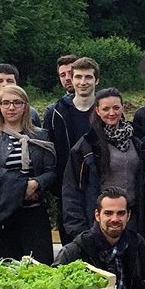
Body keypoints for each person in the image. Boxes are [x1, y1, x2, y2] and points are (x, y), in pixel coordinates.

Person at [0, 85, 56, 264]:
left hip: (34, 213)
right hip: (3, 215)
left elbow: (51, 171)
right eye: (6, 103)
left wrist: (36, 183)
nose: (11, 108)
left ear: (25, 106)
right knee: (8, 266)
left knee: (40, 267)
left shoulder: (41, 136)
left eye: (17, 103)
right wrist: (19, 186)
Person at [62, 88, 145, 243]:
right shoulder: (86, 146)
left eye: (116, 107)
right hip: (100, 220)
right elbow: (71, 189)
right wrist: (77, 228)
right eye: (106, 109)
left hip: (131, 218)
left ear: (123, 108)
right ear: (98, 111)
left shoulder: (136, 141)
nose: (111, 113)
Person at [45, 56, 100, 245]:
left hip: (100, 188)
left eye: (88, 77)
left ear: (96, 80)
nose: (82, 82)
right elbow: (49, 152)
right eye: (78, 77)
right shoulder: (56, 113)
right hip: (67, 190)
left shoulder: (106, 111)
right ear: (72, 79)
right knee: (72, 246)